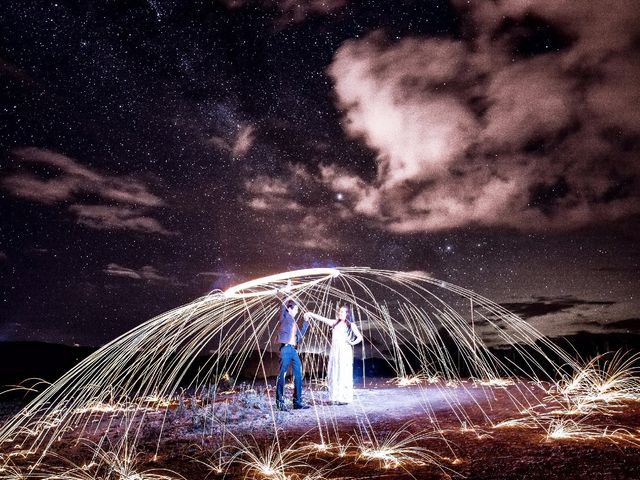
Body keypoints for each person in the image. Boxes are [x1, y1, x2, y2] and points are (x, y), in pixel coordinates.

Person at [305, 305, 363, 404]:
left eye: (342, 312)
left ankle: (344, 398)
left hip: (344, 351)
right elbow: (322, 318)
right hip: (335, 351)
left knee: (343, 373)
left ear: (347, 314)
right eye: (339, 311)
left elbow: (360, 337)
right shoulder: (335, 323)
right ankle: (335, 397)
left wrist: (351, 343)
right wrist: (310, 314)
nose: (340, 313)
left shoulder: (351, 325)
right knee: (334, 372)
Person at [275, 287, 310, 411]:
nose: (297, 311)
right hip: (285, 349)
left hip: (293, 350)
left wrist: (305, 322)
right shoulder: (284, 317)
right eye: (295, 309)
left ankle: (297, 402)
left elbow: (299, 336)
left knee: (298, 375)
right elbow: (283, 304)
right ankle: (280, 403)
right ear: (289, 309)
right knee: (282, 376)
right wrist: (288, 291)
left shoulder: (294, 322)